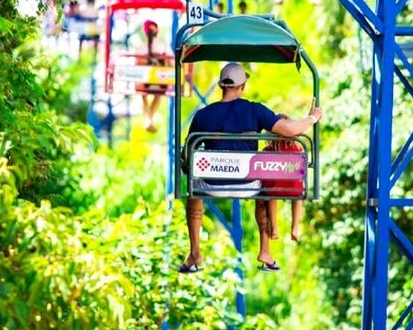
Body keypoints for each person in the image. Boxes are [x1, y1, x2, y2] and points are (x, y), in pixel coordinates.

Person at [179, 63, 323, 274]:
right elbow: (290, 130)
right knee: (263, 189)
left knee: (193, 190)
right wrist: (313, 117)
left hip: (210, 184)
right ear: (242, 86)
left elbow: (188, 151)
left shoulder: (203, 115)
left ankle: (195, 251)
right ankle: (265, 250)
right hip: (248, 184)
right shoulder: (255, 110)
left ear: (221, 86)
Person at [262, 114, 305, 242]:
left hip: (275, 188)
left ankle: (274, 228)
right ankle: (295, 228)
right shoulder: (298, 148)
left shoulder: (268, 150)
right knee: (298, 197)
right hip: (294, 189)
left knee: (271, 195)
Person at [135, 20, 167, 132]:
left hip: (146, 81)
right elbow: (171, 61)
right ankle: (150, 119)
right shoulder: (163, 46)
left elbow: (137, 63)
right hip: (160, 80)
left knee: (142, 94)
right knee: (158, 95)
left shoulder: (141, 48)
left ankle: (148, 119)